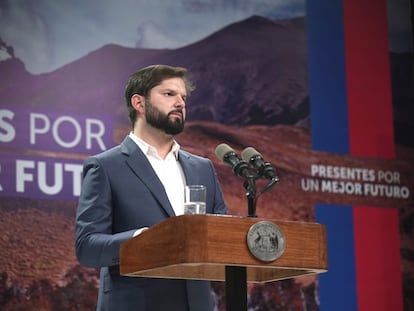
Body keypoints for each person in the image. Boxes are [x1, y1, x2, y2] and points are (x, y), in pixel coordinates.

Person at [75, 64, 228, 311]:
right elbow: (87, 248)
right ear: (139, 103)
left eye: (183, 97)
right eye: (169, 94)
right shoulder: (106, 167)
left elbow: (222, 238)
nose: (180, 102)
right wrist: (142, 240)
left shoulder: (203, 168)